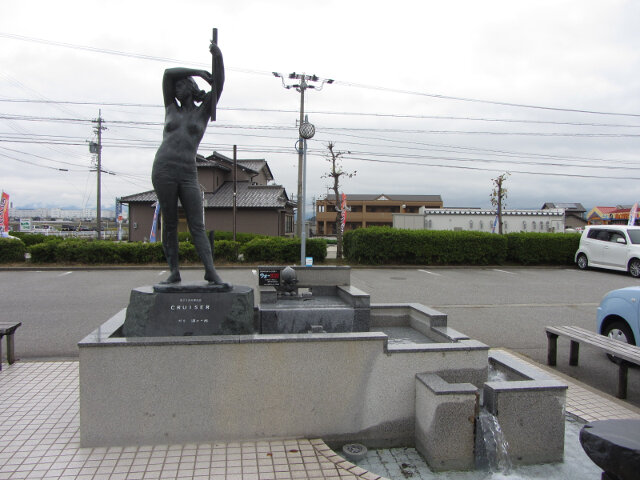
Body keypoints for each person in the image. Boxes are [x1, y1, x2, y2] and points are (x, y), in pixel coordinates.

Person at [151, 42, 228, 286]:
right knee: (170, 223)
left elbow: (220, 85)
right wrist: (196, 70)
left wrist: (218, 57)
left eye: (181, 85)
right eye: (176, 86)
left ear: (191, 88)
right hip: (163, 168)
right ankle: (174, 271)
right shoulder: (170, 108)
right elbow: (167, 74)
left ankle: (210, 270)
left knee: (197, 223)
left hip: (187, 172)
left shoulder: (203, 112)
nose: (176, 88)